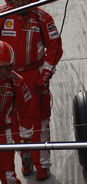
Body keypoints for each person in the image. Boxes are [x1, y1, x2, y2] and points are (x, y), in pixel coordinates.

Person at [0, 0, 63, 181]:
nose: (22, 1)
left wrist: (45, 72)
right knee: (10, 124)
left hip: (35, 77)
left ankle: (42, 165)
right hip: (5, 77)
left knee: (41, 122)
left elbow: (55, 47)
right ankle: (24, 156)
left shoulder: (43, 17)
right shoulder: (2, 15)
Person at [0, 41, 39, 184]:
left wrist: (25, 145)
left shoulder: (18, 82)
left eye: (8, 67)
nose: (5, 72)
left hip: (4, 133)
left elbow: (26, 112)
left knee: (9, 178)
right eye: (1, 68)